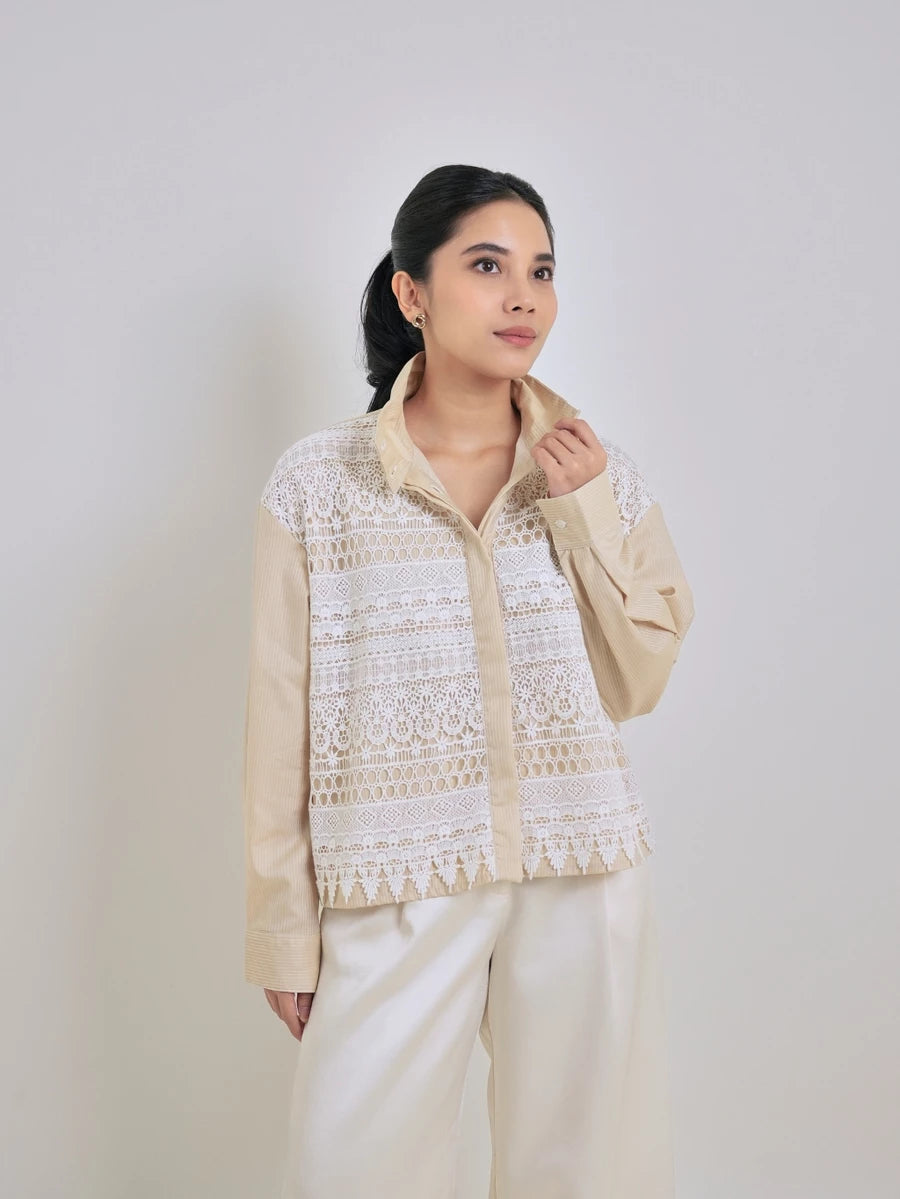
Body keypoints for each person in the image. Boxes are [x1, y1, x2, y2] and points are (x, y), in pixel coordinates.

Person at [242, 163, 695, 1198]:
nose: (522, 295)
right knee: (353, 1166)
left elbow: (639, 679)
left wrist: (581, 513)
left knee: (584, 1173)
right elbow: (278, 712)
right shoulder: (318, 484)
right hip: (393, 875)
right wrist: (283, 922)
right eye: (487, 265)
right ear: (414, 292)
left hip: (580, 869)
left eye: (540, 270)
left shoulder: (598, 471)